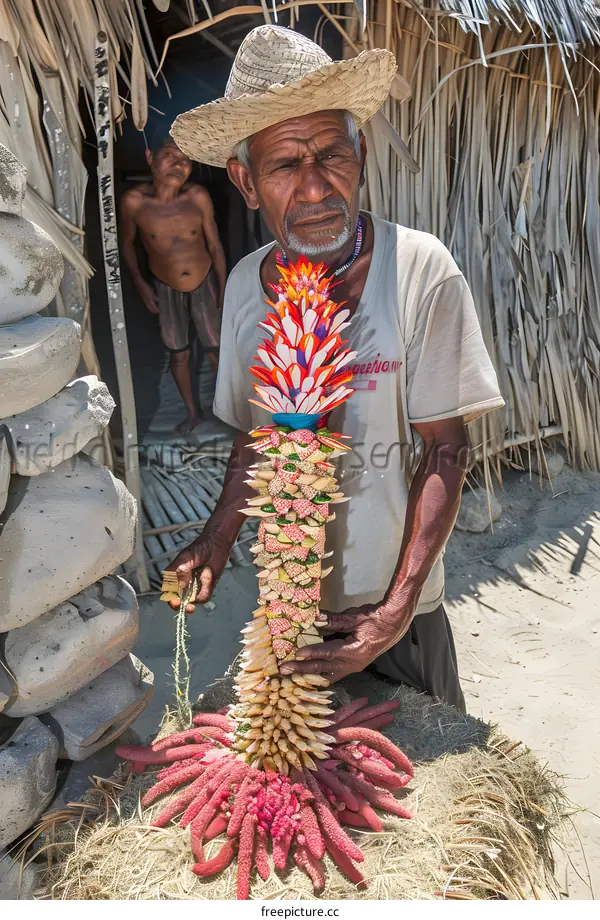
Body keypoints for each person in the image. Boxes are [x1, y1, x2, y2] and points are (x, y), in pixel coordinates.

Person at [165, 26, 505, 712]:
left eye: (331, 154)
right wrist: (218, 534)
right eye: (285, 165)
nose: (316, 187)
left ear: (362, 153)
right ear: (246, 182)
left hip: (396, 613)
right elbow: (254, 439)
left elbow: (446, 448)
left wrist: (397, 609)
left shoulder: (420, 270)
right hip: (289, 602)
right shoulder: (243, 288)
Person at [121, 138, 227, 434]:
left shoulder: (197, 197)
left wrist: (224, 285)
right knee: (178, 353)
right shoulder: (134, 202)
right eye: (169, 155)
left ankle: (228, 411)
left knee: (216, 350)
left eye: (186, 160)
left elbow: (215, 245)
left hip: (204, 282)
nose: (179, 165)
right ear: (149, 156)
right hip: (164, 287)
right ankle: (193, 414)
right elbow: (127, 244)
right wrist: (141, 284)